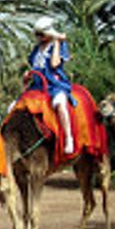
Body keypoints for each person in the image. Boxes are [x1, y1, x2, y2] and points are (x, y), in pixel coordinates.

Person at [28, 17, 75, 154]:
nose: (39, 37)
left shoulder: (58, 46)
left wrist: (57, 42)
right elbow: (34, 66)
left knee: (59, 104)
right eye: (37, 34)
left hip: (55, 85)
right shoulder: (37, 49)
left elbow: (54, 64)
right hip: (37, 86)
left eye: (41, 34)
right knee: (15, 106)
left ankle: (68, 137)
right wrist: (29, 75)